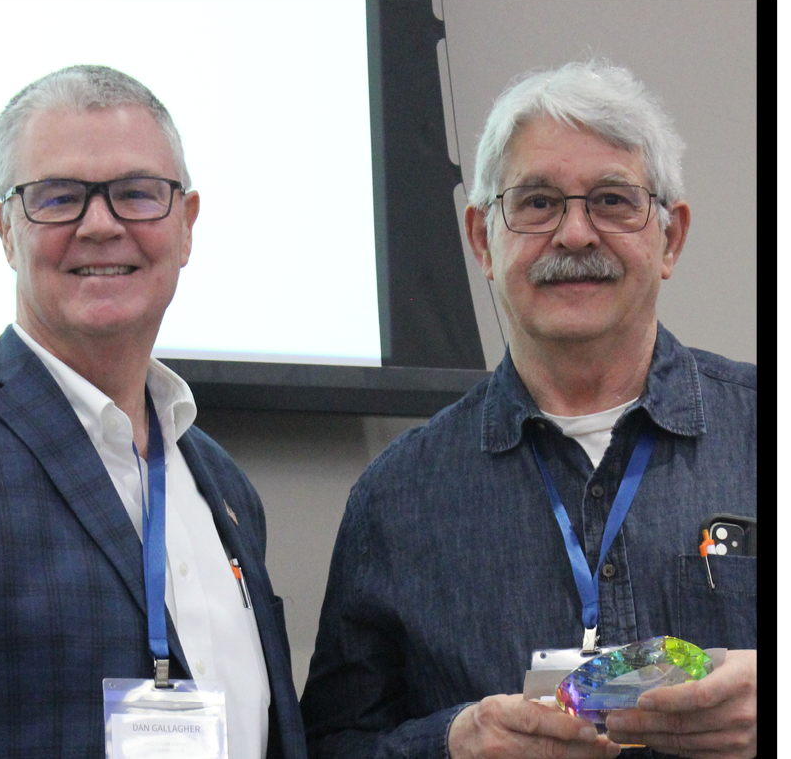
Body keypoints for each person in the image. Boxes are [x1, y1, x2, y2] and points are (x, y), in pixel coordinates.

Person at [301, 59, 755, 759]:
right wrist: (449, 744)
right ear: (482, 238)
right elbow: (330, 743)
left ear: (671, 237)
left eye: (611, 199)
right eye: (537, 202)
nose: (574, 234)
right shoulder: (394, 499)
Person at [0, 65, 306, 759]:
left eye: (136, 194)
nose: (100, 226)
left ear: (186, 224)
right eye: (58, 197)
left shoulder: (223, 486)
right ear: (4, 229)